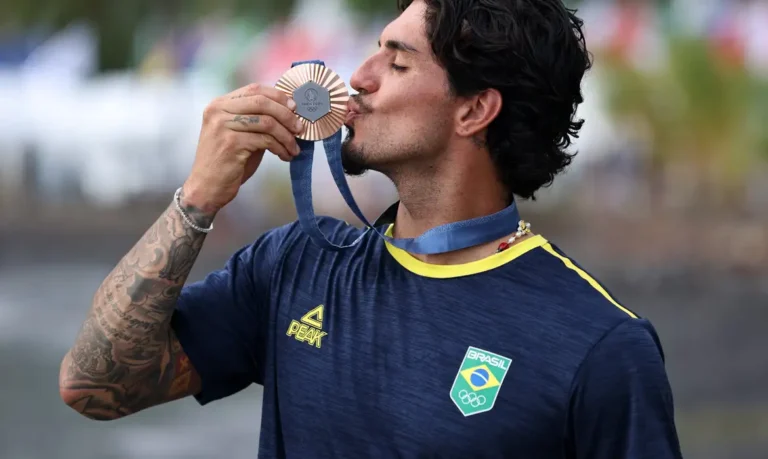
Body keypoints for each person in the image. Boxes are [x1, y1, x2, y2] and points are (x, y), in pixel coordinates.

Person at [59, 0, 683, 457]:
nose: (358, 77)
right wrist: (197, 200)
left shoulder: (601, 346)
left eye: (398, 61)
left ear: (473, 109)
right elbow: (94, 385)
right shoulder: (296, 265)